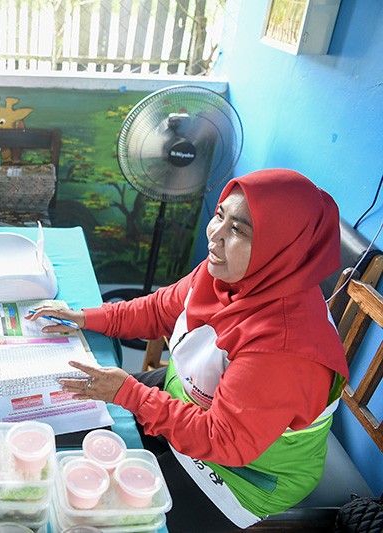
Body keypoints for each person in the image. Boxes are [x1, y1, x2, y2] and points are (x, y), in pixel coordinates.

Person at [29, 169, 349, 532]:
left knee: (107, 515)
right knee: (63, 416)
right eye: (220, 215)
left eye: (238, 229)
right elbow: (158, 309)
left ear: (280, 247)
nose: (215, 234)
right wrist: (86, 317)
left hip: (240, 472)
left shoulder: (285, 350)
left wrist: (129, 394)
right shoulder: (231, 274)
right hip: (190, 396)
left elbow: (223, 440)